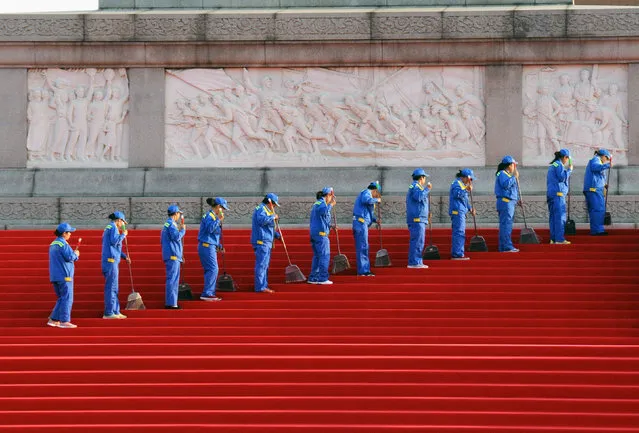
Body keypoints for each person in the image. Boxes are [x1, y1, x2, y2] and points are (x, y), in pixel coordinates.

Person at [48, 222, 80, 328]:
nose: (70, 234)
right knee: (67, 298)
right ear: (64, 233)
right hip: (64, 275)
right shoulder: (63, 244)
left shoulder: (53, 244)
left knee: (61, 298)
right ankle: (64, 320)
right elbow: (69, 257)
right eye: (69, 232)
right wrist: (76, 254)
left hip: (55, 275)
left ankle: (54, 319)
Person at [198, 197, 229, 301]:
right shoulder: (209, 216)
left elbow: (214, 235)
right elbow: (210, 229)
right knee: (213, 269)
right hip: (206, 246)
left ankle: (208, 292)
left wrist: (219, 245)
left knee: (211, 269)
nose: (224, 211)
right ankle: (207, 293)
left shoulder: (213, 216)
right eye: (223, 208)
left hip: (210, 245)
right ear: (219, 207)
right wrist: (219, 219)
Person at [101, 211, 130, 319]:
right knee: (111, 287)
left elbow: (114, 246)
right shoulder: (113, 227)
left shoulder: (109, 228)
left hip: (112, 260)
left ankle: (115, 310)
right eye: (123, 222)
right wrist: (123, 234)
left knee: (114, 288)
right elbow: (114, 241)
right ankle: (109, 312)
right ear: (119, 220)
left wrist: (124, 256)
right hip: (110, 261)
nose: (123, 224)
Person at [251, 193, 281, 294]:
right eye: (274, 204)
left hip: (267, 240)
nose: (275, 206)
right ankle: (260, 286)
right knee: (262, 264)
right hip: (261, 241)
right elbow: (261, 221)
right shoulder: (261, 209)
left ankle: (263, 284)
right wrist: (272, 217)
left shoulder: (267, 210)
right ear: (269, 202)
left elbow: (268, 227)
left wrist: (276, 235)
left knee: (265, 265)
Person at [352, 181, 382, 276]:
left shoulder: (368, 195)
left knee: (364, 246)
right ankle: (363, 271)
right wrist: (377, 200)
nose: (376, 196)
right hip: (360, 223)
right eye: (377, 194)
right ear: (375, 190)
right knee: (363, 247)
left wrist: (375, 220)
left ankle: (364, 269)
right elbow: (367, 200)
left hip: (362, 223)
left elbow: (367, 213)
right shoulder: (366, 192)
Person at [308, 187, 336, 285]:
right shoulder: (321, 204)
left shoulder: (319, 204)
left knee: (317, 256)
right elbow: (323, 211)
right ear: (328, 195)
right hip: (321, 235)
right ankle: (323, 278)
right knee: (324, 256)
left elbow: (323, 219)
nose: (331, 199)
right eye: (331, 196)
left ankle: (313, 277)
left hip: (316, 233)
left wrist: (331, 226)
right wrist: (331, 205)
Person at [161, 204, 186, 309]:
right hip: (173, 256)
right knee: (173, 280)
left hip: (173, 255)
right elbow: (176, 237)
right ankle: (171, 303)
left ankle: (172, 302)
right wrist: (183, 230)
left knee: (173, 279)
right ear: (175, 214)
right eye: (179, 214)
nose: (179, 216)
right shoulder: (171, 224)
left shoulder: (168, 224)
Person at [547, 149, 573, 244]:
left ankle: (553, 238)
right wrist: (569, 170)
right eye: (567, 158)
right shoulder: (559, 165)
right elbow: (562, 177)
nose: (567, 160)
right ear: (564, 157)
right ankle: (559, 239)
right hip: (558, 195)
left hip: (552, 195)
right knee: (560, 217)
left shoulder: (554, 165)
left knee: (553, 217)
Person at [583, 149, 612, 236]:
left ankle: (595, 230)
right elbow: (596, 167)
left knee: (594, 210)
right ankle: (598, 230)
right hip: (594, 189)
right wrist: (607, 165)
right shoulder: (596, 160)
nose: (606, 161)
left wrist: (605, 184)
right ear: (603, 156)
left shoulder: (599, 161)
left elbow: (600, 175)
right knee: (598, 209)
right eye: (606, 159)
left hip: (594, 189)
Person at [406, 168, 431, 269]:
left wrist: (427, 214)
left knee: (418, 240)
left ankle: (416, 261)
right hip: (417, 218)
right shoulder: (416, 186)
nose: (425, 179)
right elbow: (418, 197)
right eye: (424, 177)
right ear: (421, 177)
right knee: (418, 240)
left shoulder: (417, 186)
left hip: (420, 217)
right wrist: (427, 189)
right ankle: (415, 262)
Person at [494, 156, 520, 253]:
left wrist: (517, 199)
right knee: (506, 225)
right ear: (509, 165)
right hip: (506, 202)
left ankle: (503, 246)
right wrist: (514, 177)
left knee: (506, 224)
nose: (514, 167)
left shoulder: (507, 175)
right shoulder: (502, 173)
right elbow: (505, 185)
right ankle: (507, 246)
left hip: (509, 202)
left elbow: (512, 189)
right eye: (514, 165)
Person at [449, 168, 475, 260]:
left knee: (460, 232)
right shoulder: (457, 183)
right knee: (459, 232)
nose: (471, 181)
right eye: (470, 179)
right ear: (466, 177)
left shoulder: (462, 184)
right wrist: (466, 190)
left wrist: (470, 208)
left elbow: (464, 199)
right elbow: (457, 194)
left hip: (461, 210)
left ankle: (458, 252)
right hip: (457, 211)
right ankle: (457, 254)